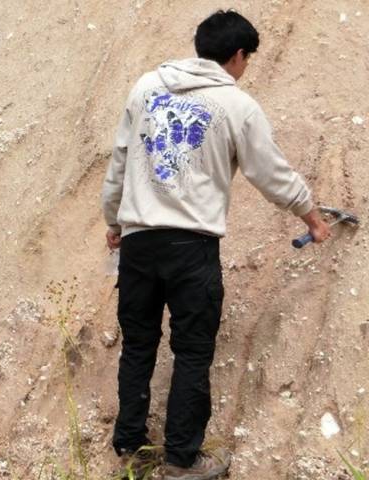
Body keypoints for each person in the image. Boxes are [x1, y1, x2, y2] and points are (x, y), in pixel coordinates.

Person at [100, 10, 331, 480]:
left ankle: (130, 445)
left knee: (139, 345)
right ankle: (182, 460)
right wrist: (311, 214)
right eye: (248, 59)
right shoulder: (235, 105)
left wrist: (114, 221)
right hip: (191, 248)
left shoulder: (146, 87)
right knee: (191, 351)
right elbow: (270, 173)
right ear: (238, 55)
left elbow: (120, 160)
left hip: (140, 243)